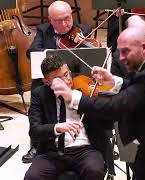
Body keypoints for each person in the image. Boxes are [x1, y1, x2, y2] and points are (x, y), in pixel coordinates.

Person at [51, 27, 145, 180]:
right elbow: (143, 90)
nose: (121, 58)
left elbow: (114, 107)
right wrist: (114, 80)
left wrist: (72, 96)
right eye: (120, 52)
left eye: (126, 51)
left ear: (144, 48)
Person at [24, 54, 113, 180]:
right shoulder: (39, 94)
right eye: (59, 79)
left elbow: (107, 122)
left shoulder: (83, 89)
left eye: (66, 74)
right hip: (53, 152)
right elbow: (34, 131)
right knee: (32, 177)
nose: (67, 81)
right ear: (47, 82)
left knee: (94, 170)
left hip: (86, 149)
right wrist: (57, 127)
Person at [23, 0, 91, 163]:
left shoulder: (83, 29)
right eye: (59, 20)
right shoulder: (43, 30)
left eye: (67, 18)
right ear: (50, 20)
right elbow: (31, 52)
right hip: (52, 78)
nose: (65, 23)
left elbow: (93, 55)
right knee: (37, 94)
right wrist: (54, 55)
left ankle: (95, 141)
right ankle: (36, 144)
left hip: (76, 78)